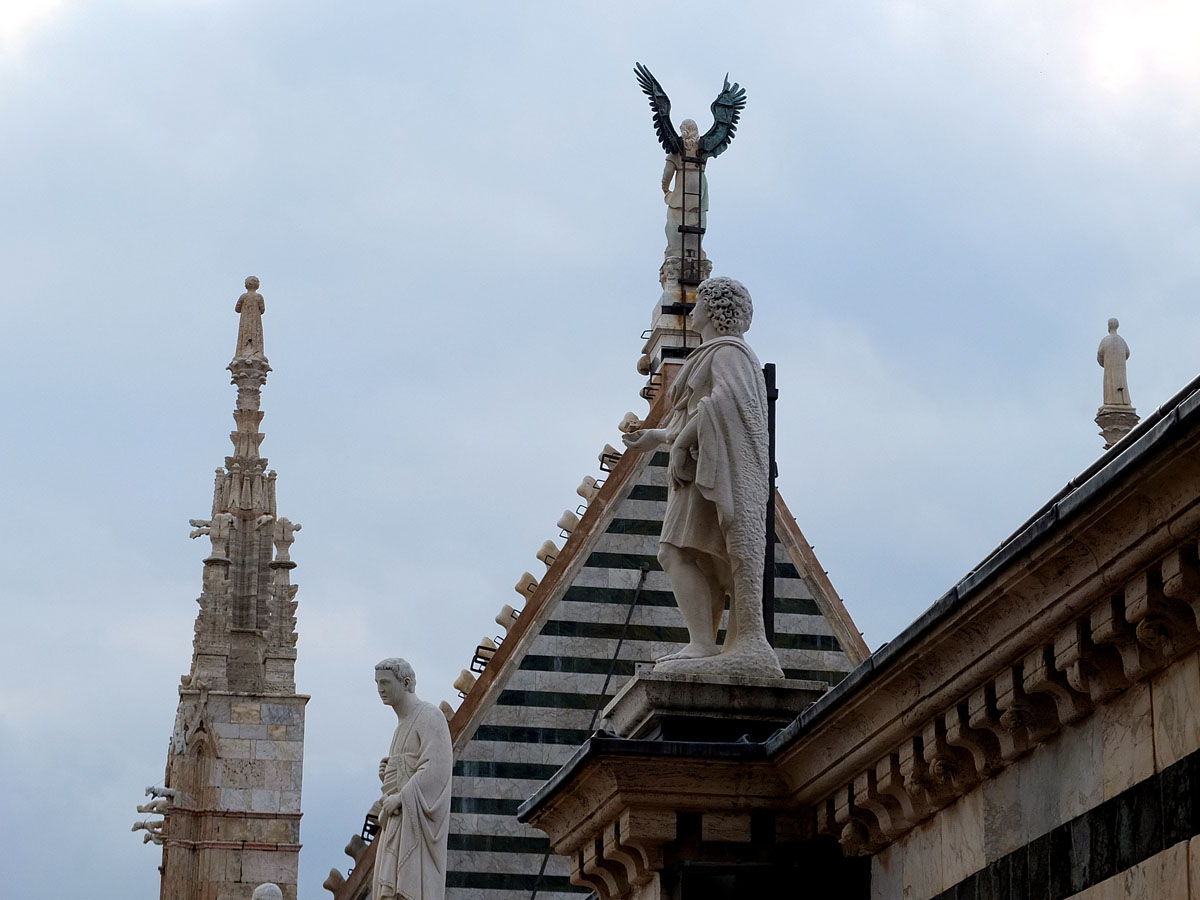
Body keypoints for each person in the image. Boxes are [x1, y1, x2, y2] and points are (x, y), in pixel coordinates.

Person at [622, 277, 782, 677]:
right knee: (686, 554)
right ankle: (704, 643)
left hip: (712, 474)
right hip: (697, 472)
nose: (690, 310)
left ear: (712, 309)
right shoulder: (714, 354)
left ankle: (703, 644)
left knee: (676, 552)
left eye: (697, 304)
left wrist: (680, 443)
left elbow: (727, 404)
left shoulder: (729, 353)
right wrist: (657, 438)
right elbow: (696, 414)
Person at [371, 658, 453, 900]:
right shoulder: (401, 727)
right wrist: (389, 772)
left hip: (414, 828)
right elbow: (411, 767)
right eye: (377, 683)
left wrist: (400, 798)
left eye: (385, 682)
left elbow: (437, 768)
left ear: (406, 683)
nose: (380, 689)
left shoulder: (430, 716)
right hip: (398, 823)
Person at [661, 119, 708, 260]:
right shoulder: (703, 150)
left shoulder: (676, 150)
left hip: (681, 190)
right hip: (699, 188)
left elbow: (667, 174)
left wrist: (665, 189)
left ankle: (675, 250)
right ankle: (695, 250)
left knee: (674, 220)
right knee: (697, 219)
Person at [1097, 317, 1132, 408]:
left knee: (1111, 384)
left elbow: (1100, 355)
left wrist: (1104, 362)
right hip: (1120, 370)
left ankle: (1110, 402)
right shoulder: (1121, 340)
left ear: (1109, 326)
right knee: (1120, 383)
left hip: (1109, 369)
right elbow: (1127, 353)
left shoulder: (1105, 341)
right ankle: (1122, 401)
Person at [234, 275, 266, 360]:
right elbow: (262, 310)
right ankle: (256, 351)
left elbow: (237, 309)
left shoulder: (243, 296)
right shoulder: (259, 297)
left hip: (245, 321)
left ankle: (242, 351)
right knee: (256, 334)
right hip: (255, 322)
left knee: (244, 334)